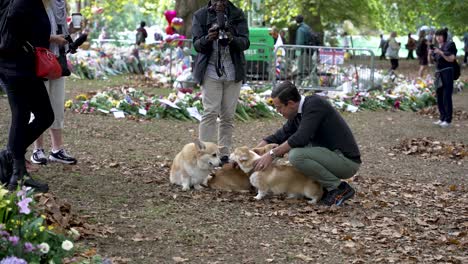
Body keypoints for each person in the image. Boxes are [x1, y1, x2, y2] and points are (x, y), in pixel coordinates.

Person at [254, 81, 361, 206]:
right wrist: (254, 153)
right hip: (332, 157)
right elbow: (278, 136)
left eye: (279, 107)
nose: (278, 111)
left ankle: (339, 188)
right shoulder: (297, 113)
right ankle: (323, 188)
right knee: (298, 150)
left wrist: (272, 154)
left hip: (346, 162)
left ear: (291, 104)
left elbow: (301, 138)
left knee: (296, 155)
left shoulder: (314, 105)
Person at [0, 0, 53, 192]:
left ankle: (12, 161)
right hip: (18, 68)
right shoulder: (24, 2)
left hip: (16, 66)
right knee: (28, 115)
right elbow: (19, 24)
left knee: (36, 115)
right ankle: (16, 169)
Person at [192, 0, 249, 163]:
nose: (220, 3)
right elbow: (196, 44)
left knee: (228, 115)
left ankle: (223, 154)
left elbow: (245, 42)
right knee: (210, 112)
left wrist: (232, 38)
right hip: (210, 70)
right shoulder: (201, 15)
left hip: (233, 70)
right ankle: (205, 153)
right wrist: (208, 38)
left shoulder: (237, 14)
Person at [30, 0, 78, 166]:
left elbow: (63, 33)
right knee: (38, 106)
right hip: (39, 60)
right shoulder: (36, 4)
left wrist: (73, 30)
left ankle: (57, 150)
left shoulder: (61, 5)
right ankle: (38, 150)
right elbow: (29, 32)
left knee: (57, 105)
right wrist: (52, 39)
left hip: (57, 61)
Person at [431, 28, 457, 128]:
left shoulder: (450, 45)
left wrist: (440, 52)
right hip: (438, 73)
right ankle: (442, 117)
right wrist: (431, 54)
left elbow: (452, 59)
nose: (438, 38)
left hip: (447, 72)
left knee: (446, 96)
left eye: (440, 36)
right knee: (439, 96)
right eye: (437, 36)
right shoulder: (438, 46)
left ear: (445, 36)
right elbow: (435, 61)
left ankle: (448, 120)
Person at [294, 15, 312, 83]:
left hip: (303, 52)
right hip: (309, 51)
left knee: (300, 71)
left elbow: (299, 43)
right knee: (309, 70)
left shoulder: (300, 29)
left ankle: (299, 85)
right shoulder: (307, 27)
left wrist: (297, 54)